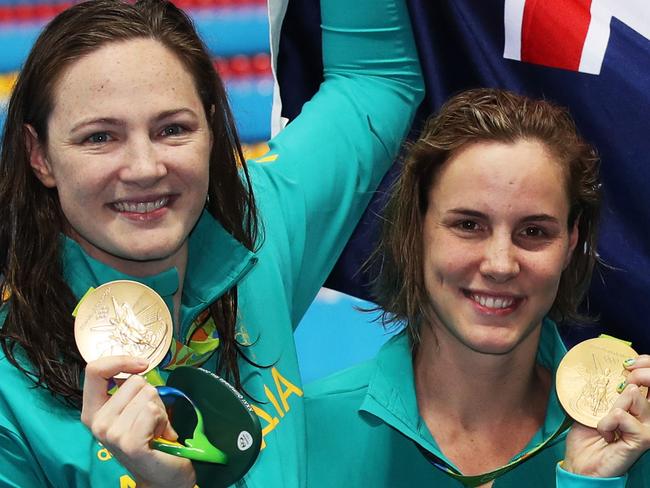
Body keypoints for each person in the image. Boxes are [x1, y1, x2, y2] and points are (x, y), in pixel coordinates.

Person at [0, 0, 424, 485]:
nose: (144, 168)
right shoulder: (9, 392)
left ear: (211, 129)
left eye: (173, 129)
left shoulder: (257, 225)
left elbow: (372, 83)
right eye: (100, 138)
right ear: (40, 157)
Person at [305, 89, 650, 487]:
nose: (500, 264)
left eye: (534, 231)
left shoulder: (631, 440)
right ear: (416, 228)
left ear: (571, 242)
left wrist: (589, 483)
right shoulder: (307, 431)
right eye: (468, 225)